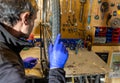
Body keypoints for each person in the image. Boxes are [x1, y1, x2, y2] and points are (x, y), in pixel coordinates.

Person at [0, 0, 68, 83]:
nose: (33, 24)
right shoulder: (10, 70)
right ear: (25, 18)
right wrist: (57, 69)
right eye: (34, 19)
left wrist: (20, 63)